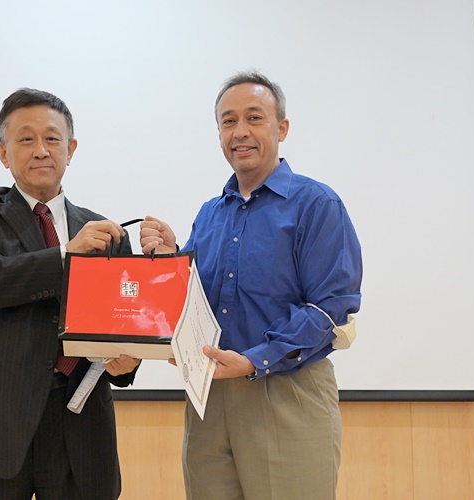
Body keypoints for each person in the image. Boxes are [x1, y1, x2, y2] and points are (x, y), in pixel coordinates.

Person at [140, 71, 362, 499]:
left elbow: (330, 308)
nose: (239, 131)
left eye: (254, 118)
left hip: (287, 392)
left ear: (282, 128)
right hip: (210, 396)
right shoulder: (210, 213)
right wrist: (171, 261)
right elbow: (196, 304)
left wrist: (253, 360)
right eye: (228, 121)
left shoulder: (317, 204)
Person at [0, 88, 140, 500]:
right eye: (26, 139)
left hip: (81, 425)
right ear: (3, 153)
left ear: (70, 149)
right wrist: (65, 256)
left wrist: (129, 360)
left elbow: (123, 325)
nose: (41, 150)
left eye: (52, 138)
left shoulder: (105, 232)